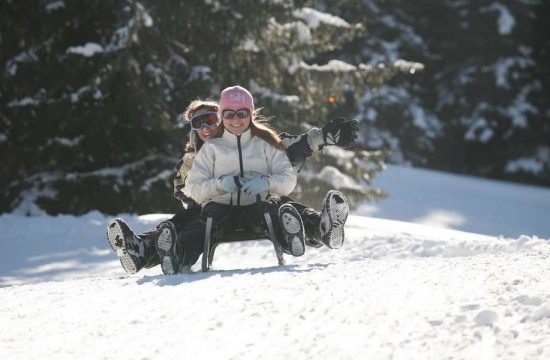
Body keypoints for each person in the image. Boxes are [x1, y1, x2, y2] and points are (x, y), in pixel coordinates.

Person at [107, 94, 357, 274]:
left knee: (281, 203)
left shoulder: (255, 141)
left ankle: (319, 227)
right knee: (188, 219)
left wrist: (321, 137)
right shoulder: (193, 159)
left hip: (257, 204)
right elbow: (185, 193)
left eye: (210, 120)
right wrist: (217, 187)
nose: (205, 128)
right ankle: (149, 249)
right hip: (214, 212)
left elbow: (290, 147)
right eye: (198, 124)